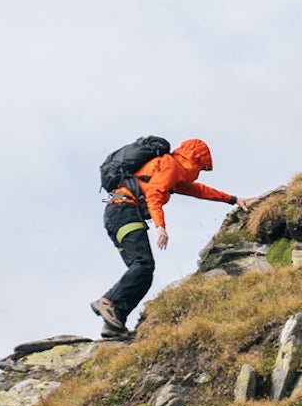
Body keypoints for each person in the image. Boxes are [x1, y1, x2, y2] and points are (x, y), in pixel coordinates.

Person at [91, 138, 238, 339]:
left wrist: (234, 200)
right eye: (200, 168)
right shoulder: (170, 166)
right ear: (194, 160)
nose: (198, 174)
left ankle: (114, 324)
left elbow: (199, 190)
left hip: (116, 214)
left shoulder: (171, 172)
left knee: (143, 271)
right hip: (124, 211)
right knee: (143, 265)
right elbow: (153, 194)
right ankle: (108, 302)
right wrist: (161, 227)